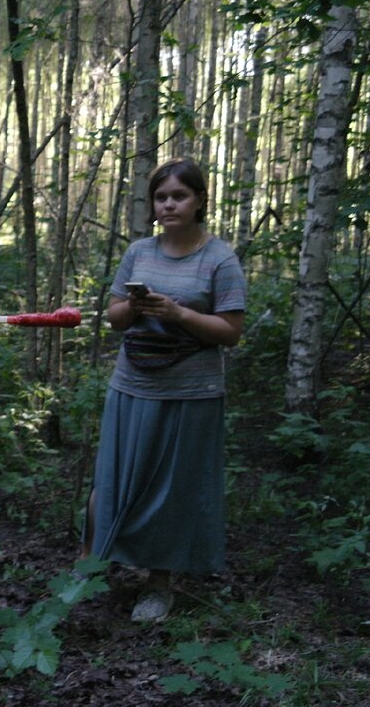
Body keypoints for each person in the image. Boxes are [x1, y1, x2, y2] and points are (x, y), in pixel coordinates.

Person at [80, 157, 246, 622]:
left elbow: (230, 331)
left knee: (173, 489)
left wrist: (179, 314)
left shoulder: (219, 258)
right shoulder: (139, 252)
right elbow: (113, 319)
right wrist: (134, 307)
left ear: (198, 201)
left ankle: (158, 583)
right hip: (133, 383)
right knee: (114, 479)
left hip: (191, 391)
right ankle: (90, 564)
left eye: (179, 196)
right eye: (161, 197)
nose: (169, 204)